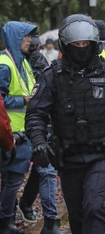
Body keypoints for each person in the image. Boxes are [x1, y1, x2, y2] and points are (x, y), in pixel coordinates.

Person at [25, 14, 105, 234]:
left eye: (85, 44)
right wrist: (39, 141)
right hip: (68, 156)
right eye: (76, 44)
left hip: (101, 154)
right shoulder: (52, 76)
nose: (81, 48)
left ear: (93, 44)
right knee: (77, 213)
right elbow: (36, 114)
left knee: (94, 206)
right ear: (66, 45)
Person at [17, 27, 62, 234]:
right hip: (18, 127)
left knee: (42, 170)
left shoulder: (36, 62)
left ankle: (47, 218)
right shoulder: (11, 62)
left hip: (33, 125)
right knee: (19, 175)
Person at [0, 21, 37, 234]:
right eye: (26, 37)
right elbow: (1, 101)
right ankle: (5, 222)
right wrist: (23, 100)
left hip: (22, 132)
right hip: (12, 134)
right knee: (13, 180)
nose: (29, 40)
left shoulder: (21, 61)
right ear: (15, 38)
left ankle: (8, 218)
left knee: (11, 180)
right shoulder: (5, 64)